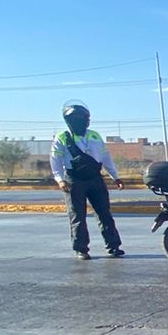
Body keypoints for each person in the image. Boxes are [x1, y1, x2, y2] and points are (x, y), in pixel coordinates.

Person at [50, 103, 124, 259]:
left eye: (83, 118)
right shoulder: (62, 137)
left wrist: (115, 176)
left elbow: (105, 158)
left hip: (95, 177)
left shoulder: (95, 135)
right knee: (77, 215)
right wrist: (60, 180)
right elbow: (55, 160)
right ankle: (81, 249)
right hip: (74, 179)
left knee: (104, 213)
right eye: (76, 118)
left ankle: (113, 246)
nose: (81, 121)